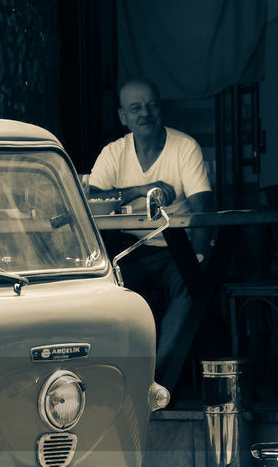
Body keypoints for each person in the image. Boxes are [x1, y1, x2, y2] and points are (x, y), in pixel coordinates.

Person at [88, 78, 213, 369]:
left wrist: (198, 257)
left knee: (190, 283)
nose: (145, 113)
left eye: (151, 104)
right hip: (132, 250)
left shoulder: (185, 147)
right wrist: (139, 190)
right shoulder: (114, 152)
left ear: (161, 109)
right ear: (123, 117)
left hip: (177, 248)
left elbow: (203, 209)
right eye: (135, 108)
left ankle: (155, 375)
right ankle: (117, 373)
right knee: (105, 288)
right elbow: (90, 200)